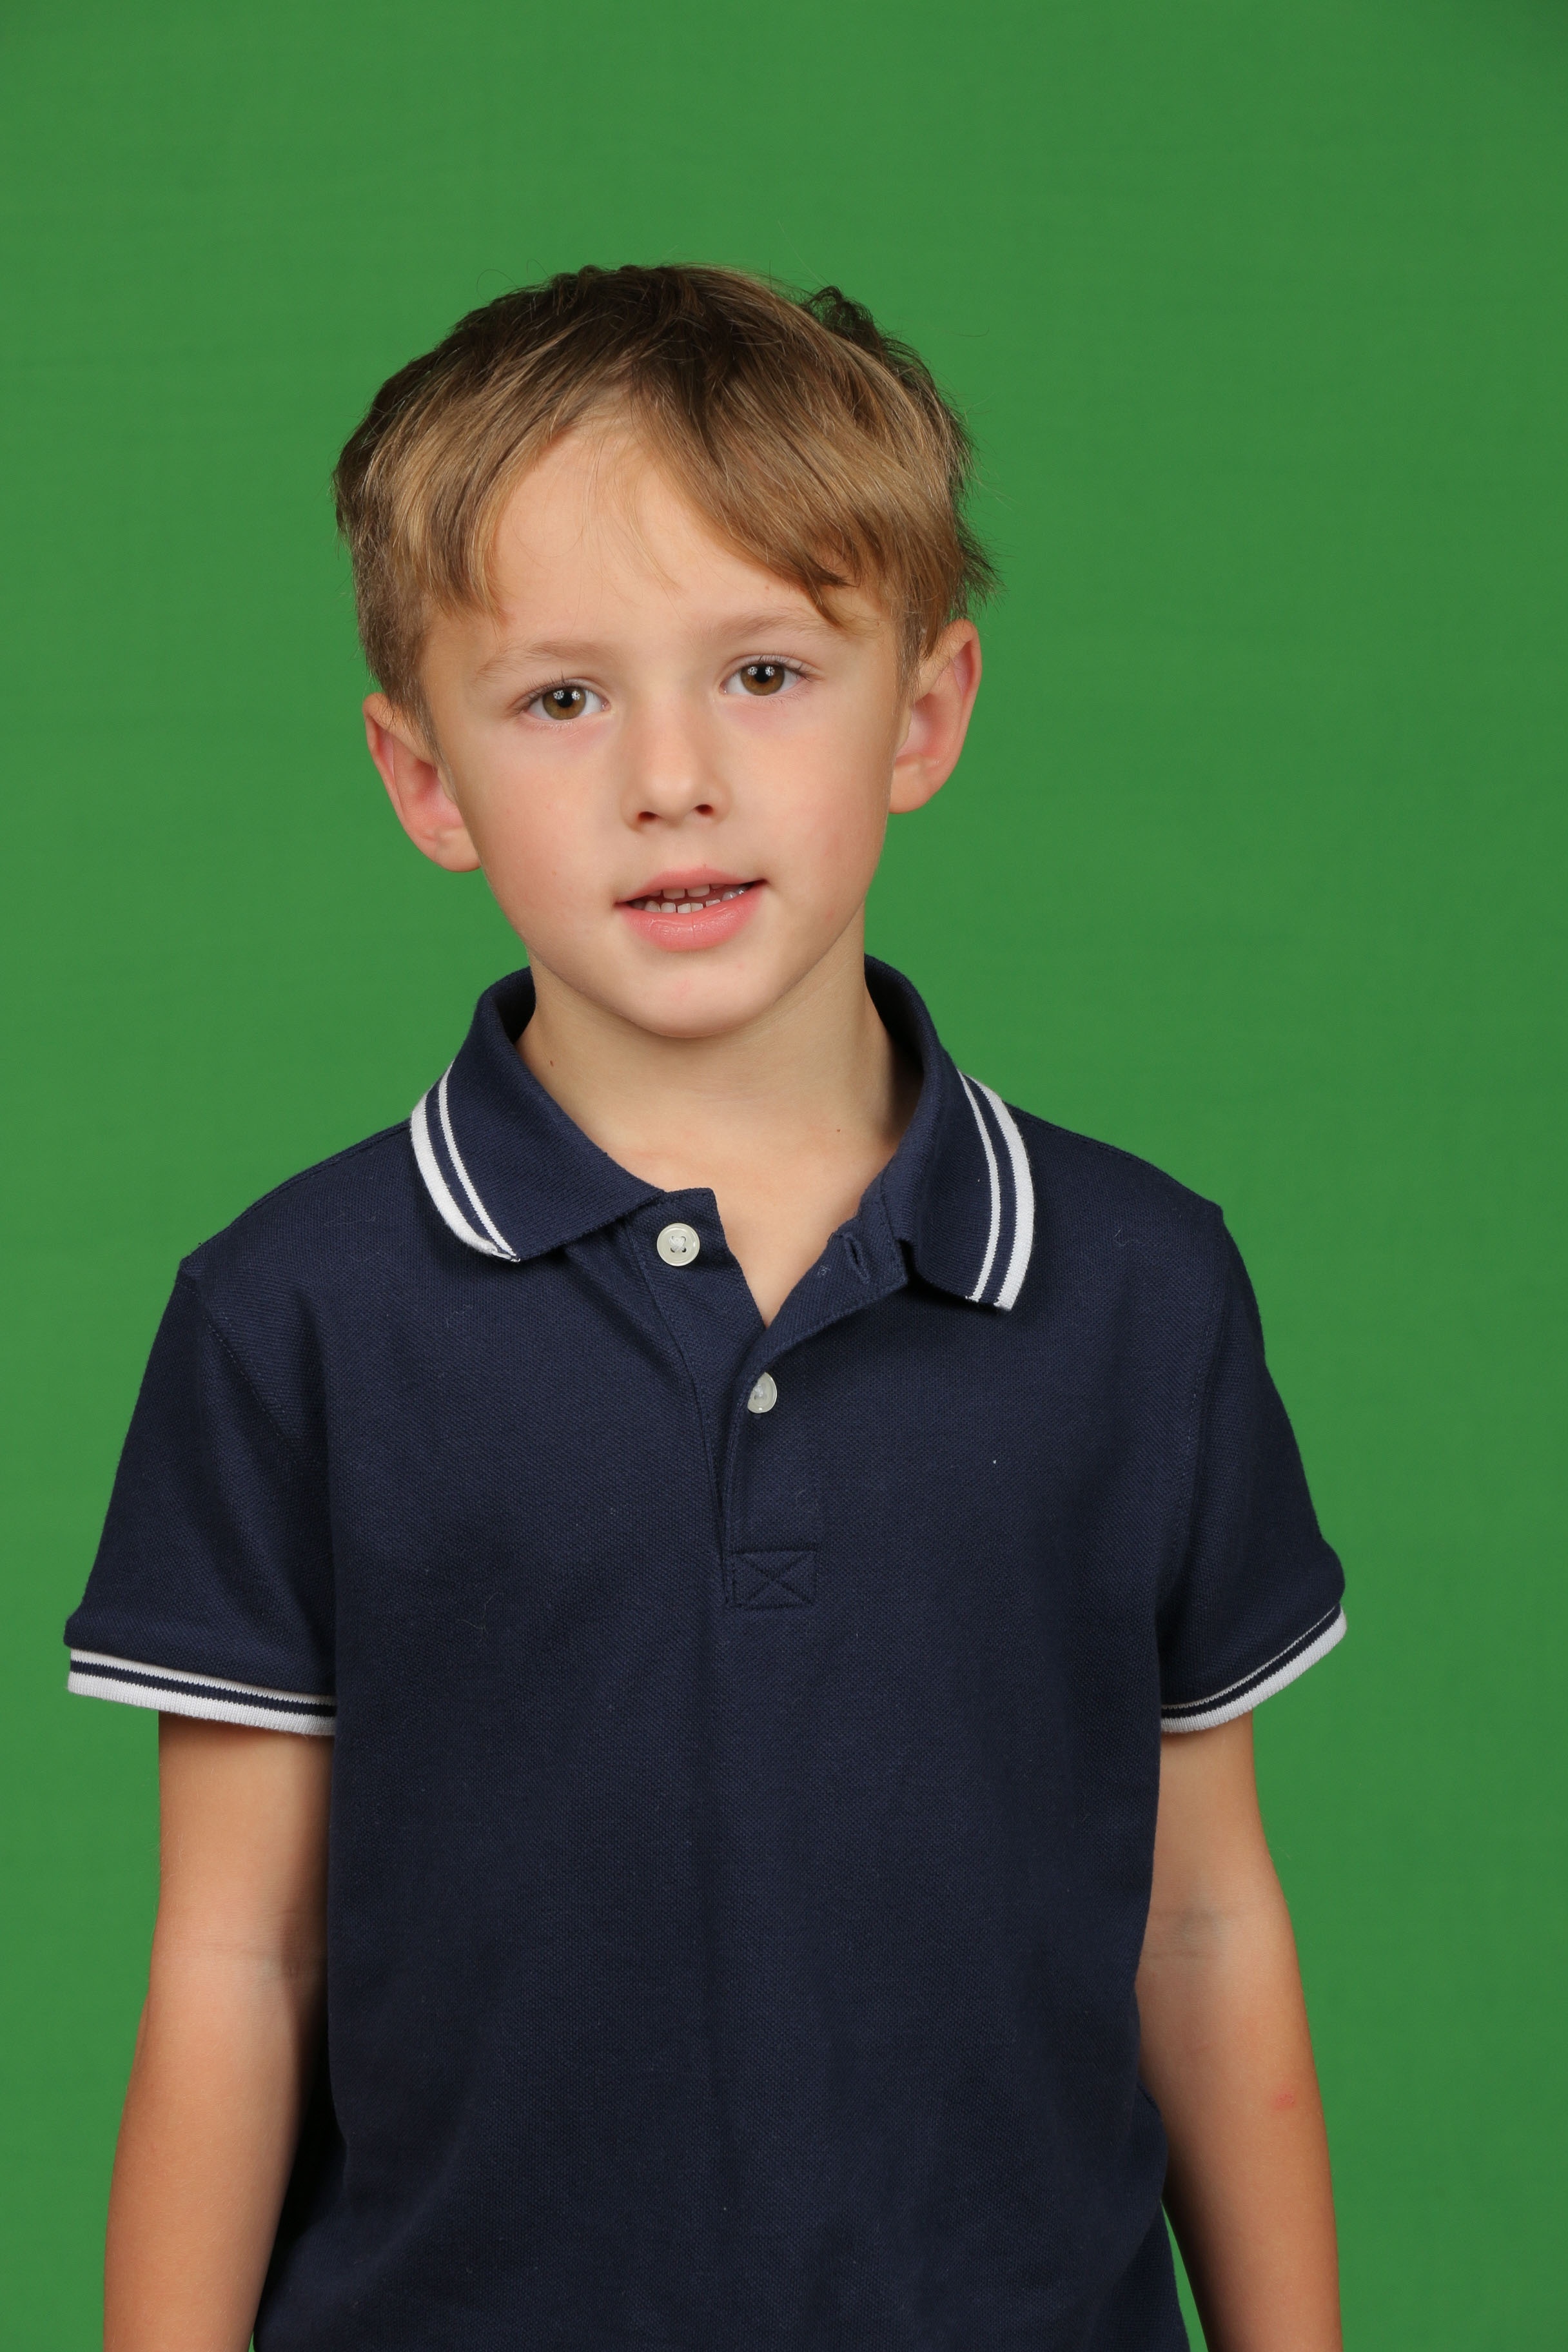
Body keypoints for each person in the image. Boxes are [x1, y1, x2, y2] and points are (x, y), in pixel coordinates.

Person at [66, 264, 1347, 2352]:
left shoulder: (1139, 1291)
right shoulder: (292, 1319)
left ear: (922, 713)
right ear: (423, 777)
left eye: (763, 671)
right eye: (561, 700)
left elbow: (1200, 1922)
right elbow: (236, 1962)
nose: (671, 776)